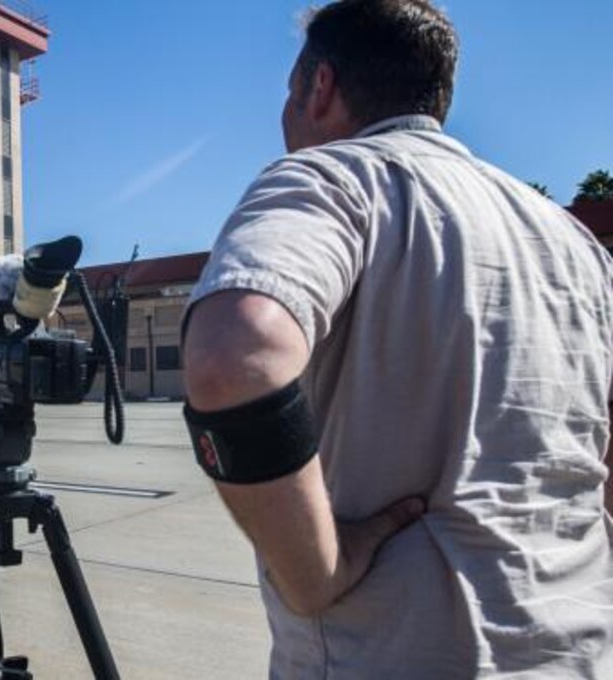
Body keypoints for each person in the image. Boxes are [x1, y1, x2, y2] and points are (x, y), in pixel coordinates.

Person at [181, 1, 613, 677]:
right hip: (577, 644)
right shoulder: (571, 240)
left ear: (318, 87)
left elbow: (235, 356)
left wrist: (316, 574)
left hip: (393, 650)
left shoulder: (335, 179)